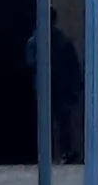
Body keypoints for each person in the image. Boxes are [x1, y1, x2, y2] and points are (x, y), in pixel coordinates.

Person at [24, 8, 84, 164]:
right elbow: (30, 64)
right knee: (52, 122)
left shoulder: (61, 41)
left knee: (61, 121)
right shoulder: (37, 42)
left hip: (58, 87)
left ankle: (62, 152)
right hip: (49, 88)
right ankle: (54, 153)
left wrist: (75, 87)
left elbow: (73, 66)